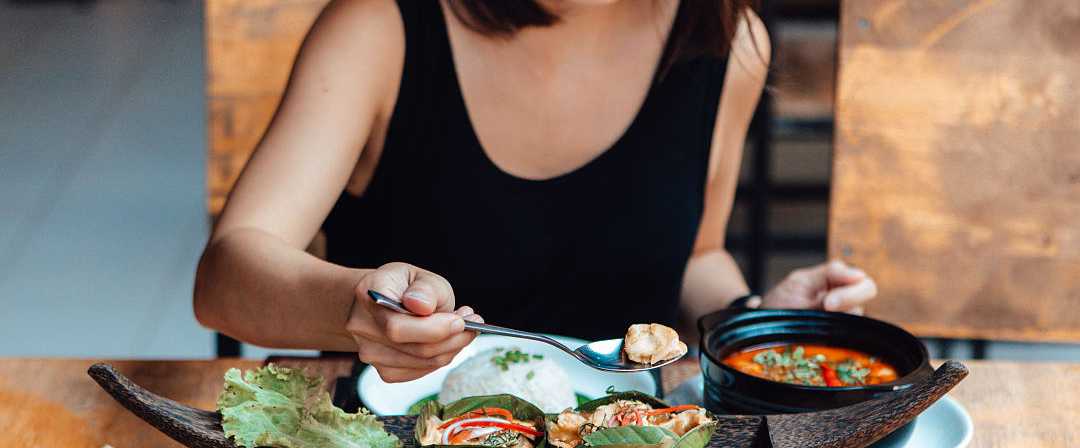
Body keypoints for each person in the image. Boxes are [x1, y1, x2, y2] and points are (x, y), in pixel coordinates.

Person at [194, 0, 877, 382]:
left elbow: (695, 254)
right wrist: (355, 305)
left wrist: (757, 322)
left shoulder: (723, 40)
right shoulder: (381, 27)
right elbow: (225, 276)